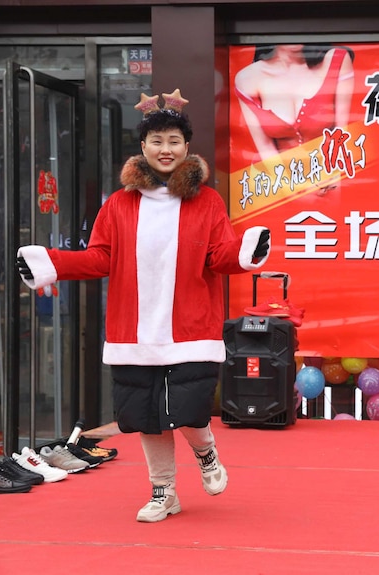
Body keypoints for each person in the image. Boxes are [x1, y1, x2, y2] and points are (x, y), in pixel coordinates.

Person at [16, 89, 271, 523]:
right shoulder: (118, 205)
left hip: (190, 328)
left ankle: (206, 454)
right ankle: (163, 491)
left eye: (174, 140)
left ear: (187, 147)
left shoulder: (206, 201)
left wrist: (247, 252)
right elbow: (99, 257)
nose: (165, 149)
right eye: (157, 141)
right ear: (143, 147)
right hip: (134, 332)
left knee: (187, 410)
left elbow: (220, 255)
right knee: (147, 417)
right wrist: (49, 264)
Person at [234, 44, 354, 160]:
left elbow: (342, 133)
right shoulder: (247, 78)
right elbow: (265, 147)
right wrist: (283, 180)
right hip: (274, 174)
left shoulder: (335, 59)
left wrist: (335, 179)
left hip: (329, 170)